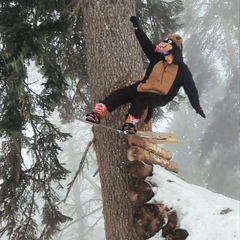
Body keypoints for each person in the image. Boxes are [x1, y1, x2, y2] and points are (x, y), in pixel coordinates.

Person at [86, 16, 206, 134]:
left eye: (168, 54)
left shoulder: (182, 71)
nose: (166, 57)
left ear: (177, 54)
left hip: (160, 96)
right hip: (143, 87)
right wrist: (137, 28)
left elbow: (191, 90)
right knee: (122, 93)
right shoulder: (157, 58)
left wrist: (197, 107)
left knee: (141, 101)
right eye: (164, 54)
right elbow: (146, 44)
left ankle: (130, 123)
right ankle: (98, 113)